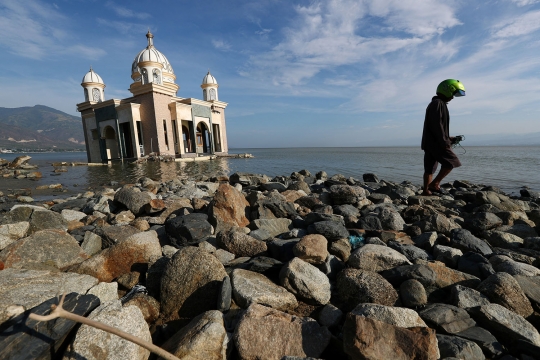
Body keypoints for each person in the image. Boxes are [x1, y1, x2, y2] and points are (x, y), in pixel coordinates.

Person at [421, 79, 466, 196]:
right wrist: (444, 141)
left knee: (429, 168)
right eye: (453, 94)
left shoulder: (435, 104)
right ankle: (434, 184)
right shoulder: (438, 104)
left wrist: (448, 137)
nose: (452, 97)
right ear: (447, 90)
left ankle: (426, 191)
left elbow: (435, 126)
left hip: (430, 143)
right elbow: (437, 125)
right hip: (437, 143)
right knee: (452, 162)